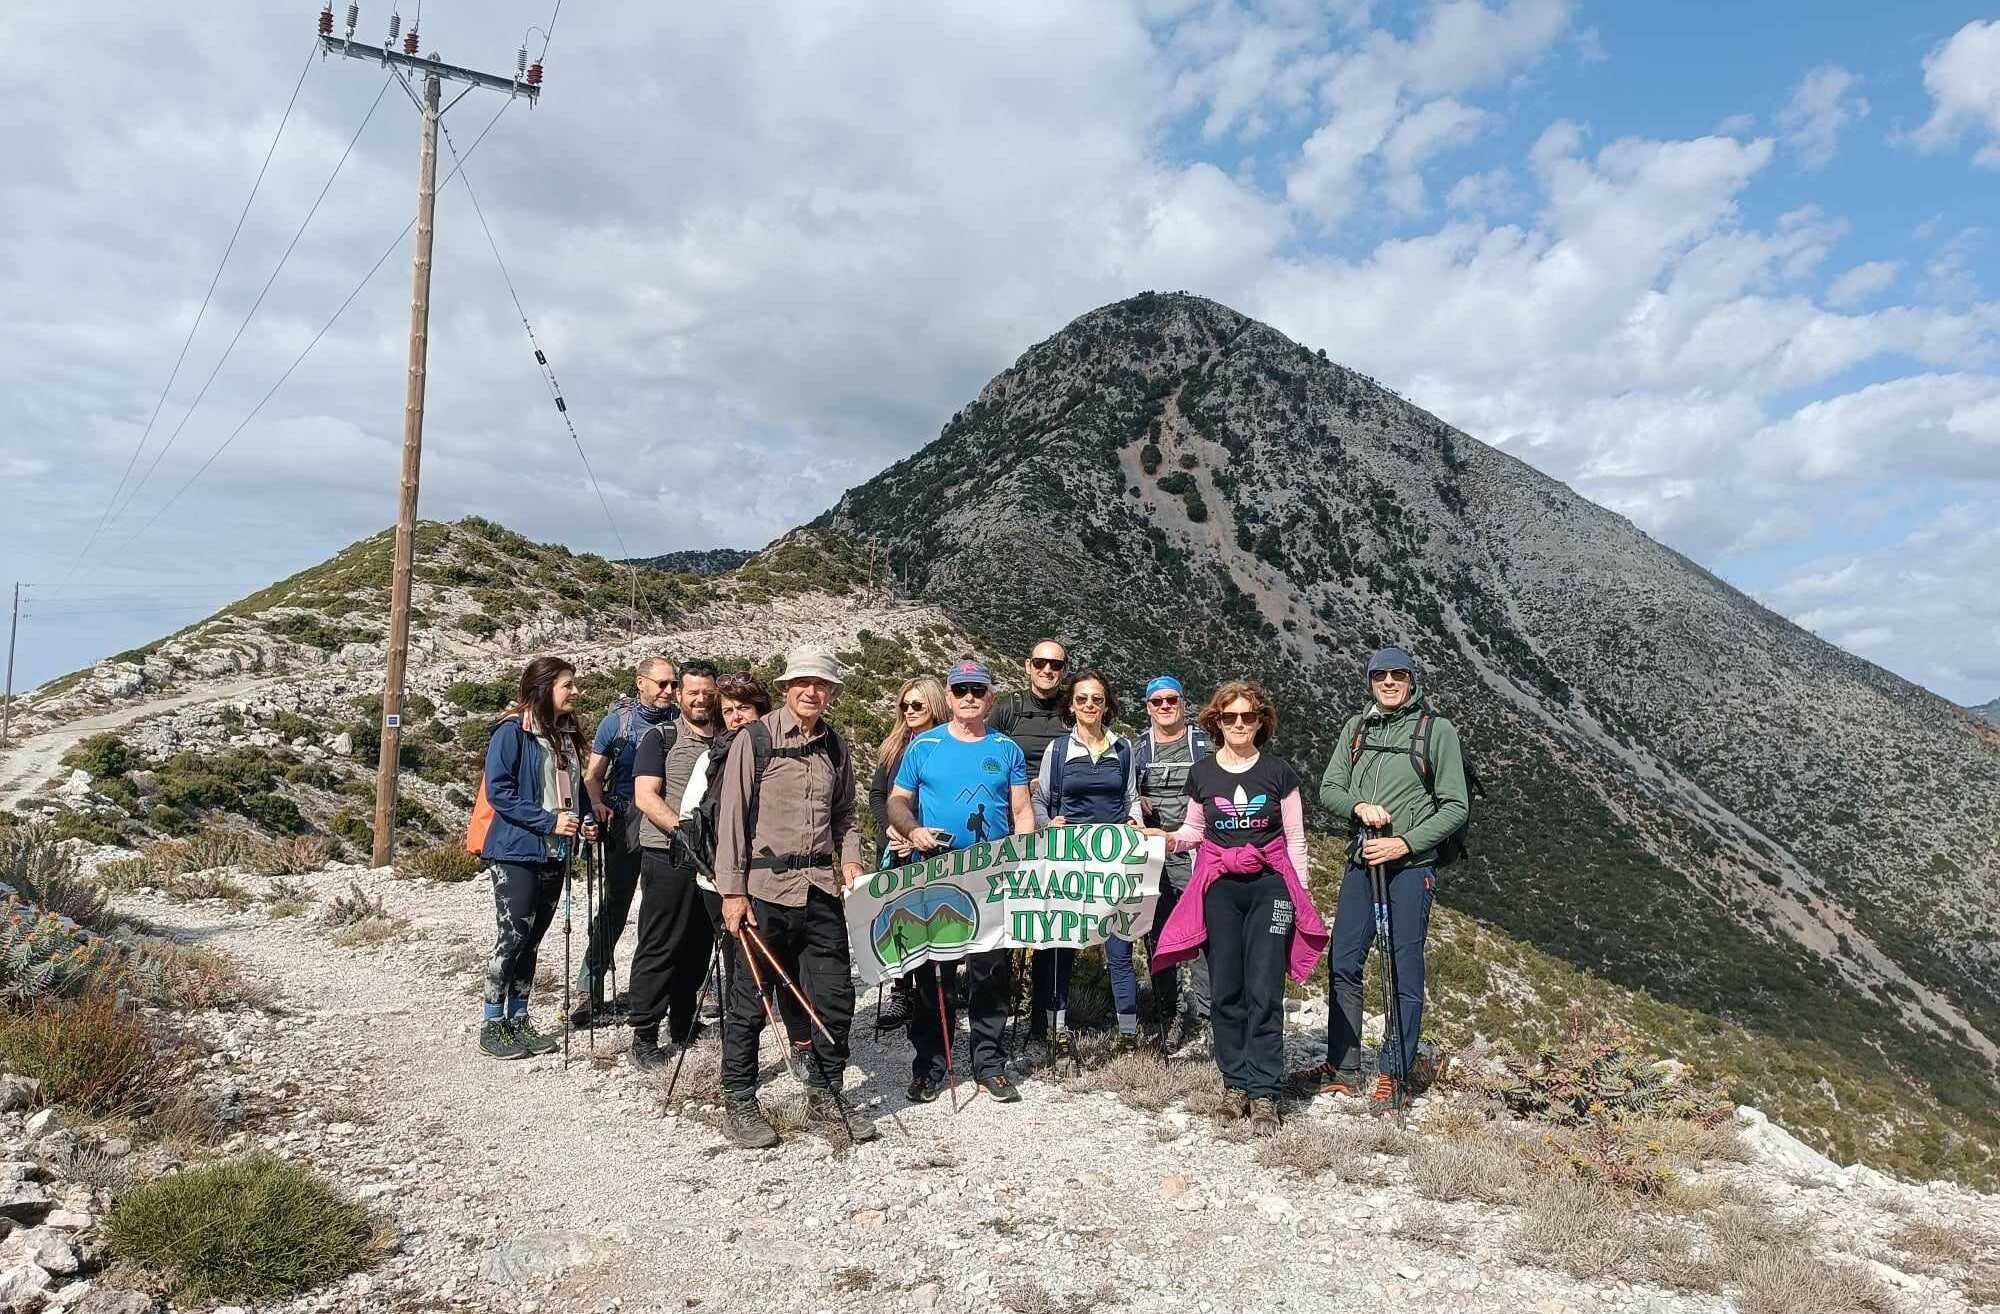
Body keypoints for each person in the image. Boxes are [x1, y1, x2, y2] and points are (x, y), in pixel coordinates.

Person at [714, 648, 876, 1148]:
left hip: (821, 889)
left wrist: (850, 858)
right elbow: (732, 821)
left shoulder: (835, 746)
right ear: (786, 688)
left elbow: (846, 812)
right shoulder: (754, 740)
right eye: (803, 682)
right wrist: (732, 892)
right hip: (763, 891)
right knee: (750, 1000)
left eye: (822, 685)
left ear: (832, 693)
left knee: (834, 998)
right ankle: (739, 1099)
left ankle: (826, 1094)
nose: (812, 692)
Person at [1151, 680, 1328, 1136]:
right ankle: (1235, 1084)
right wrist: (1168, 839)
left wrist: (1298, 894)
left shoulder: (1279, 773)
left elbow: (1296, 842)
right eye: (1229, 717)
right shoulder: (1204, 774)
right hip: (1220, 890)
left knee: (1265, 988)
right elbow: (1194, 831)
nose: (1238, 724)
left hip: (1270, 887)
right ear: (1216, 722)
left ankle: (1265, 1091)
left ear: (1260, 722)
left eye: (1247, 717)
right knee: (1226, 986)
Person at [1313, 648, 1470, 1112]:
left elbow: (1456, 806)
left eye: (1397, 674)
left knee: (1403, 969)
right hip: (1362, 861)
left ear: (1412, 679)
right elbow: (1329, 788)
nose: (1387, 682)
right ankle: (1342, 1066)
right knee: (1343, 960)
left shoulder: (1436, 731)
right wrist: (1359, 807)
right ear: (1369, 681)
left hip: (1410, 868)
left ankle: (1395, 1072)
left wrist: (1403, 844)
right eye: (1378, 675)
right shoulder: (1356, 728)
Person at [888, 658, 1036, 1104]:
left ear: (990, 697)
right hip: (934, 872)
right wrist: (911, 830)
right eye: (960, 690)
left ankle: (989, 1064)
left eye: (977, 690)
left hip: (991, 874)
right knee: (934, 971)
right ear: (948, 697)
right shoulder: (923, 746)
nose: (969, 697)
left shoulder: (1006, 749)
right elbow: (898, 800)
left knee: (989, 971)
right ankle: (931, 1065)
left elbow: (1022, 811)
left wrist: (1022, 856)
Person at [477, 656, 600, 1060]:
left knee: (532, 940)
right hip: (516, 850)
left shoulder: (563, 734)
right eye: (568, 685)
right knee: (512, 938)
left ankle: (519, 1018)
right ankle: (492, 1024)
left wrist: (582, 820)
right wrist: (548, 822)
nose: (575, 692)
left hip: (554, 852)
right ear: (544, 687)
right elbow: (500, 791)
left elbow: (573, 793)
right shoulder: (512, 732)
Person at [1030, 669, 1143, 1044]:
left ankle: (1128, 1032)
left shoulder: (1123, 748)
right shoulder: (1059, 750)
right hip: (1068, 861)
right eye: (1082, 699)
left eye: (1096, 699)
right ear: (1071, 705)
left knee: (1119, 946)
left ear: (1106, 704)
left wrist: (1133, 821)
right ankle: (1057, 1029)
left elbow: (1130, 798)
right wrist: (1049, 823)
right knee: (1064, 944)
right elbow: (1041, 798)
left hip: (1114, 862)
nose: (1089, 705)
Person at [625, 660, 721, 1070]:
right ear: (680, 694)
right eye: (692, 691)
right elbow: (646, 796)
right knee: (661, 941)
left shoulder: (728, 737)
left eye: (707, 692)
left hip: (713, 859)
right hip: (668, 854)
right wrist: (682, 831)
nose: (700, 699)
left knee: (699, 943)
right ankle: (644, 1033)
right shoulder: (660, 737)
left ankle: (683, 1022)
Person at [575, 657, 677, 1026]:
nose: (669, 690)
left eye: (672, 684)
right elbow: (593, 775)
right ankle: (590, 985)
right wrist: (598, 804)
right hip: (624, 821)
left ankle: (663, 987)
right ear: (641, 683)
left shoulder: (679, 719)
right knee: (616, 903)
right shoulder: (616, 722)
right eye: (662, 684)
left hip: (665, 820)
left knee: (664, 905)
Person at [991, 638, 1072, 1043]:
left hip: (1058, 834)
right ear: (1027, 666)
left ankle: (1046, 1020)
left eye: (1055, 665)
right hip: (1012, 831)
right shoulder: (1007, 710)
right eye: (1040, 662)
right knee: (1004, 925)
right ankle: (993, 1018)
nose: (1047, 670)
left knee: (1052, 926)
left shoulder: (1071, 714)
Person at [868, 677, 950, 1034]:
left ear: (934, 705)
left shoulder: (947, 745)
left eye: (918, 705)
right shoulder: (894, 745)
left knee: (933, 920)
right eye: (905, 705)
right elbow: (876, 794)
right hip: (894, 848)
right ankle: (902, 992)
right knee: (896, 921)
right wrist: (890, 827)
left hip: (929, 847)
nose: (910, 711)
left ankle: (934, 994)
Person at [1133, 675, 1212, 1047]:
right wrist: (1137, 802)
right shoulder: (1138, 750)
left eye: (1172, 700)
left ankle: (1211, 1016)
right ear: (1148, 707)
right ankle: (1169, 1012)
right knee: (1158, 935)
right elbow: (1123, 795)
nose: (1165, 707)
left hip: (1195, 853)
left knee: (1203, 933)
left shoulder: (1202, 745)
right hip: (1153, 857)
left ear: (1183, 703)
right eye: (1157, 701)